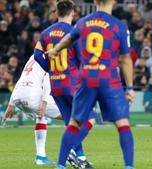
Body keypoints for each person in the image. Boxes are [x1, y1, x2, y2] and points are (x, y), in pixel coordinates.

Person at [46, 0, 135, 169]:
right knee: (122, 123)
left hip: (86, 77)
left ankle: (60, 165)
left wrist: (55, 50)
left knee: (74, 123)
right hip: (108, 78)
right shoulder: (118, 26)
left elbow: (69, 39)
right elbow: (125, 59)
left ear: (94, 2)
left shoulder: (82, 22)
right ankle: (129, 166)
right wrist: (130, 87)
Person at [34, 0, 95, 168]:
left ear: (56, 13)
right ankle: (68, 153)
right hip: (73, 84)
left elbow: (37, 55)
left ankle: (80, 159)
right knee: (90, 119)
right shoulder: (75, 32)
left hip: (56, 85)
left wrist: (50, 68)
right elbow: (83, 58)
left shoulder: (46, 33)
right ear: (73, 13)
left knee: (71, 123)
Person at [2, 55, 60, 165]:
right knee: (71, 116)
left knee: (42, 117)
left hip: (18, 96)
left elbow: (22, 78)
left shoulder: (33, 56)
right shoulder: (52, 54)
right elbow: (48, 78)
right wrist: (44, 104)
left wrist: (11, 104)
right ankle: (73, 154)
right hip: (31, 96)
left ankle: (40, 157)